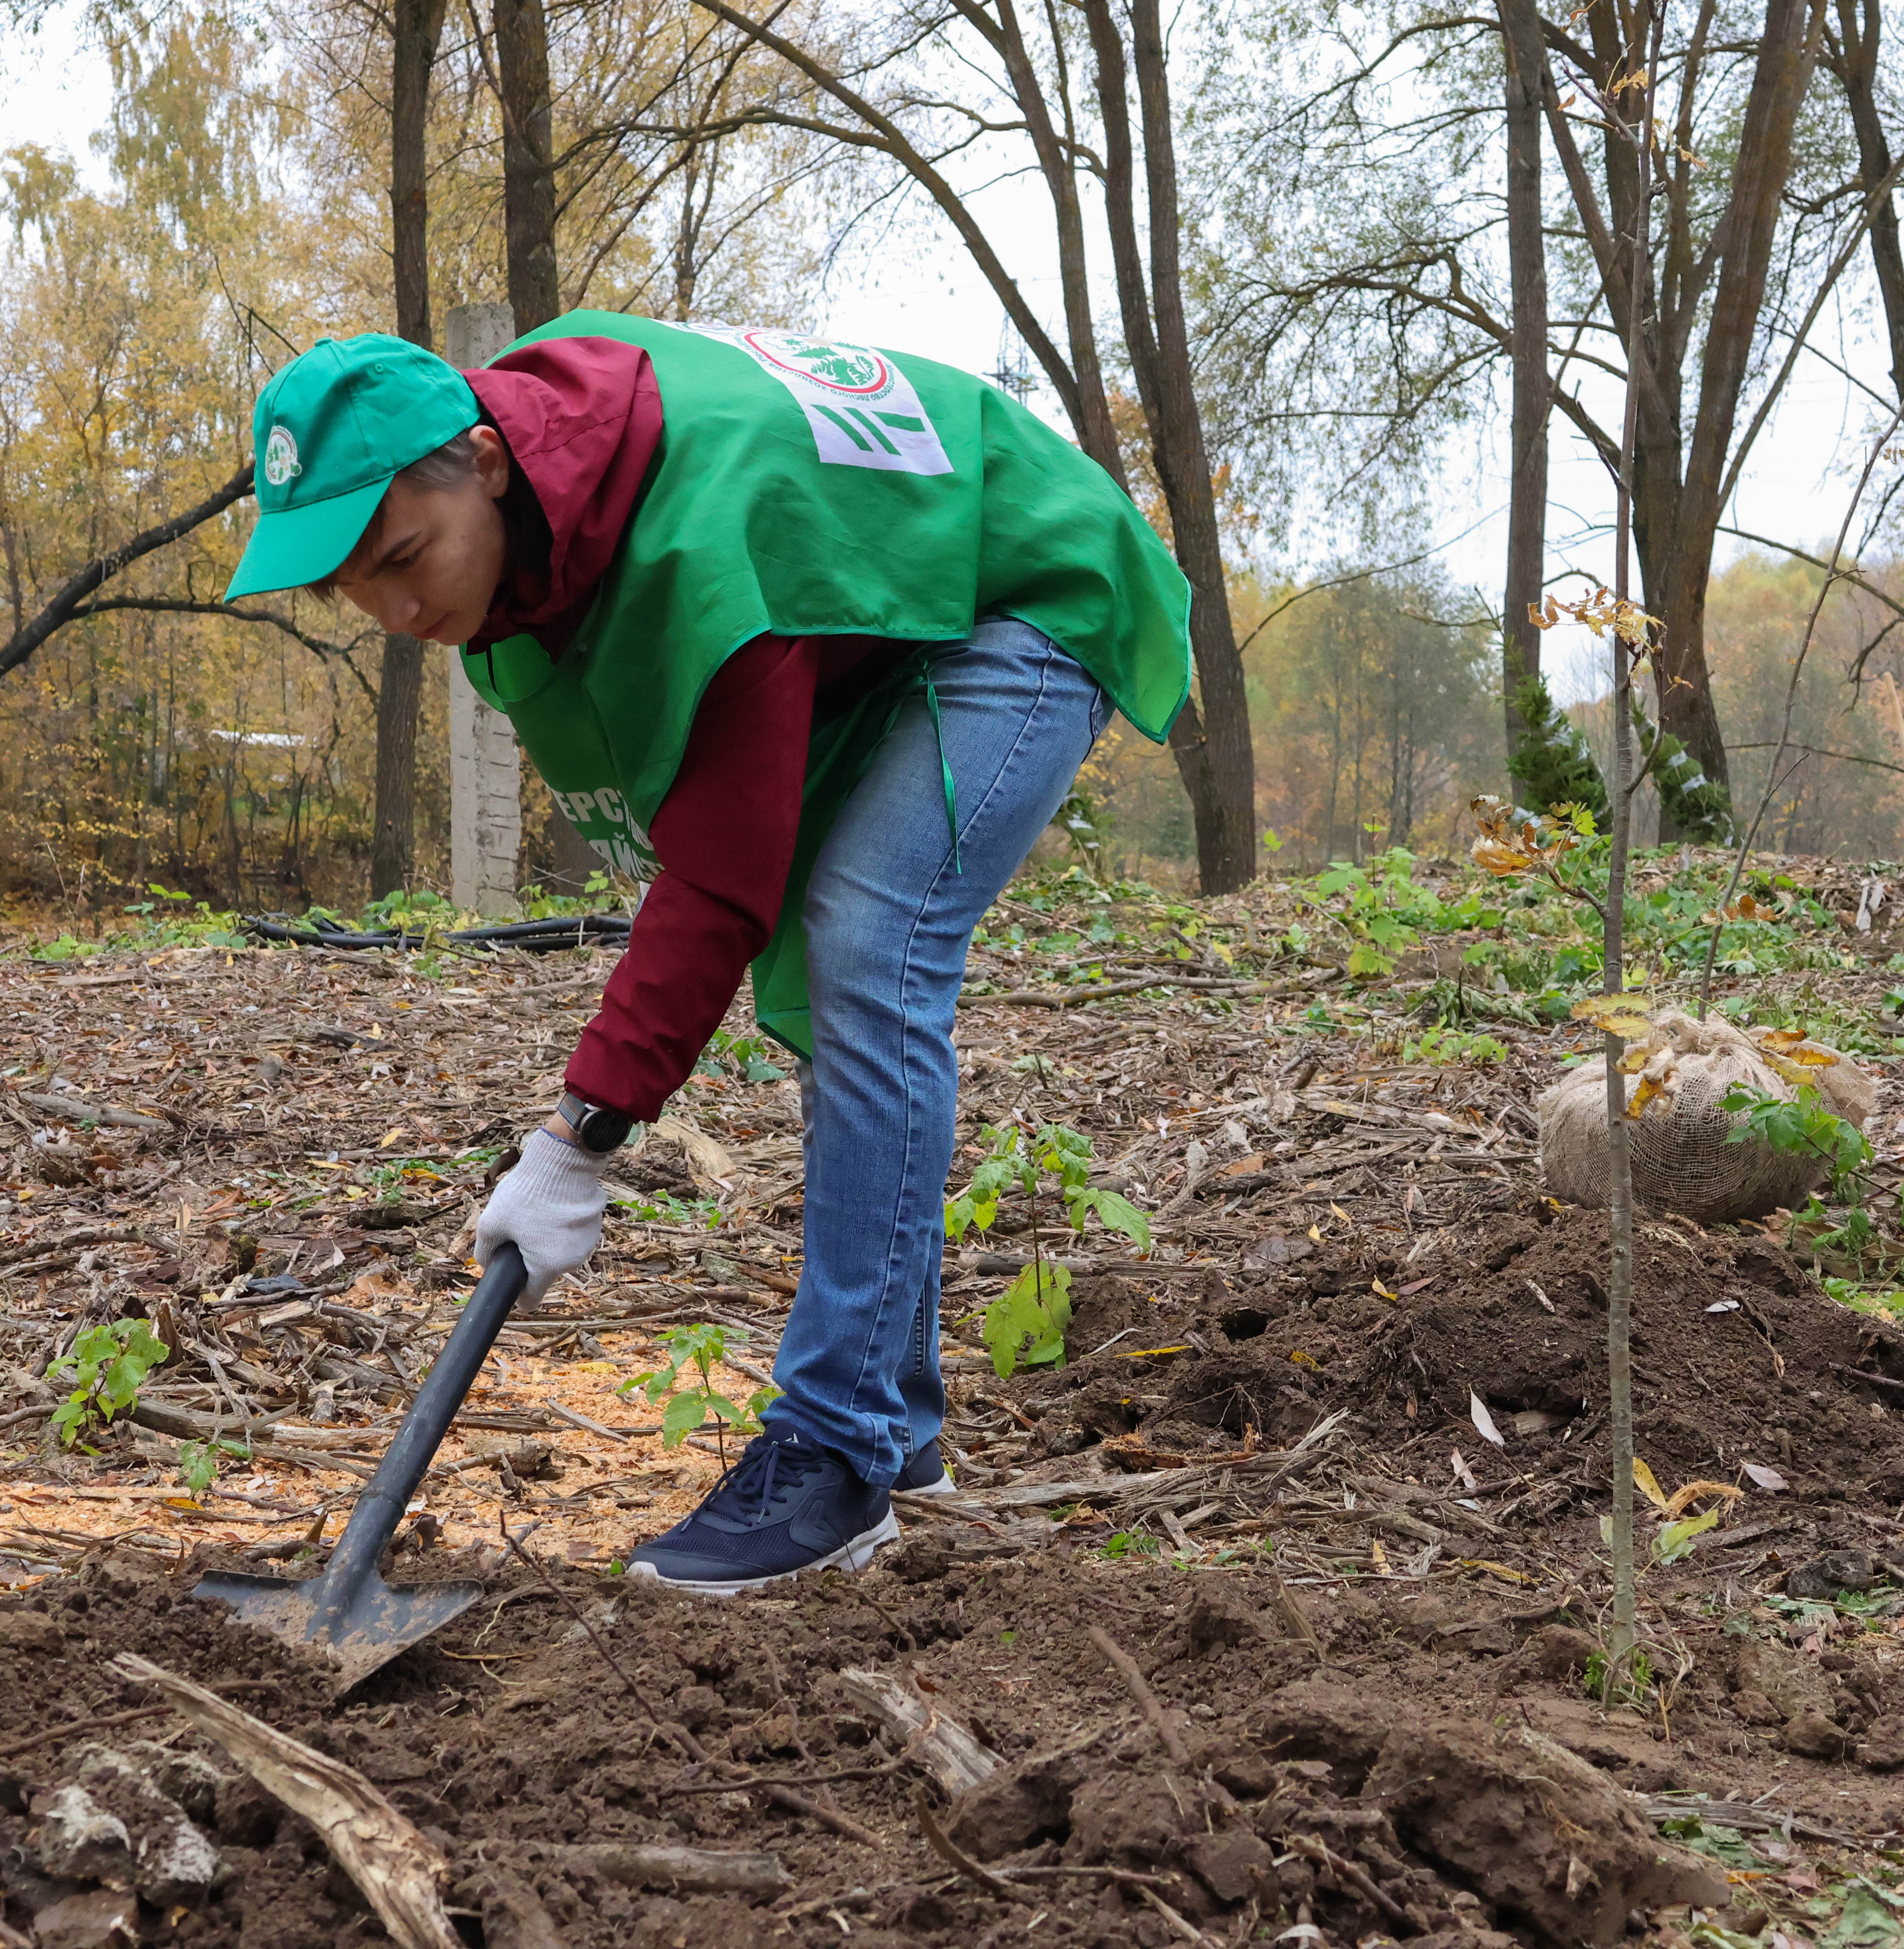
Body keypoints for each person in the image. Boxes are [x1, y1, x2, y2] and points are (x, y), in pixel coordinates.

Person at [220, 313, 1191, 1595]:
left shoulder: (701, 534)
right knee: (843, 972)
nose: (398, 612)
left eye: (406, 556)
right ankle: (895, 1434)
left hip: (1025, 586)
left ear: (486, 463)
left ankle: (838, 1450)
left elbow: (719, 878)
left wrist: (579, 1142)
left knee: (869, 946)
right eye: (355, 588)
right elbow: (701, 829)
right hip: (869, 612)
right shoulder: (544, 516)